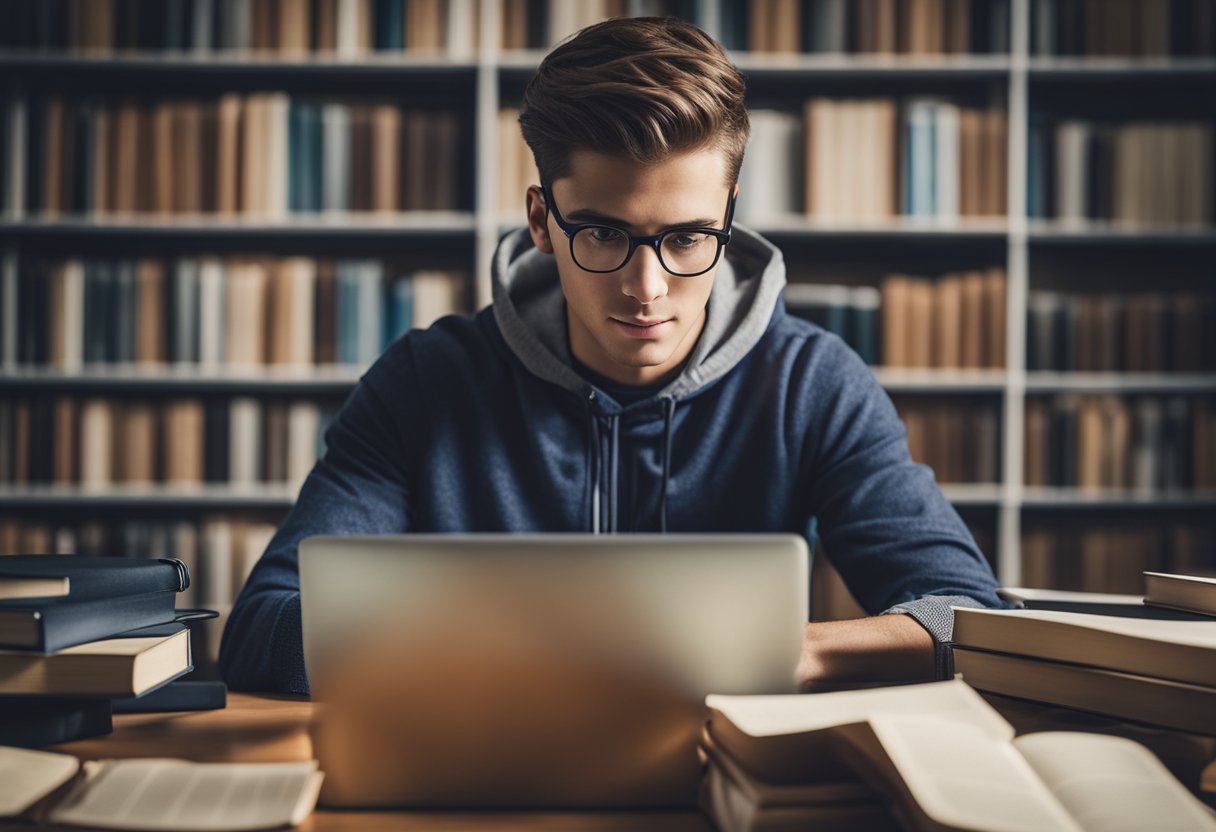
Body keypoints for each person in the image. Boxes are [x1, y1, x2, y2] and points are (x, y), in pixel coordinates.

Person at [219, 16, 1006, 695]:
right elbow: (263, 629)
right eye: (602, 233)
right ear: (540, 219)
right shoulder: (426, 384)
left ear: (728, 218)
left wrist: (781, 653)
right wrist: (536, 654)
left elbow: (965, 619)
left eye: (688, 238)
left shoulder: (813, 384)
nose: (646, 287)